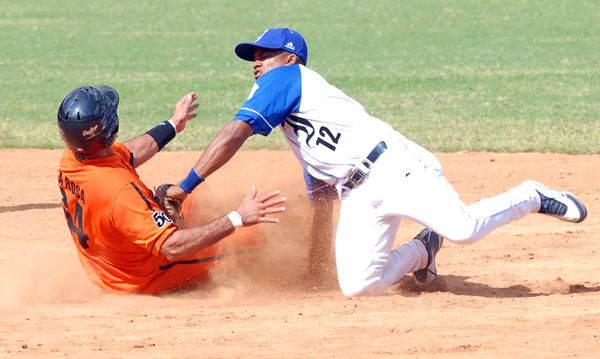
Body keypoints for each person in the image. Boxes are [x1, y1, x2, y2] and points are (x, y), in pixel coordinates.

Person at [167, 28, 588, 297]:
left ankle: (531, 195)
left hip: (393, 168)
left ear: (290, 59)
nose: (257, 62)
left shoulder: (287, 79)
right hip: (359, 193)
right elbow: (322, 195)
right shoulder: (296, 123)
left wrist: (185, 186)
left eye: (266, 53)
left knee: (464, 229)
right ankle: (422, 251)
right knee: (358, 287)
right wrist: (317, 269)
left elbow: (234, 133)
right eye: (253, 55)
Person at [57, 85, 285, 295]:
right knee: (250, 238)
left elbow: (129, 152)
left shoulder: (75, 158)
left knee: (195, 197)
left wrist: (173, 124)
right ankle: (207, 285)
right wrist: (237, 218)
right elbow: (172, 246)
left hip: (106, 262)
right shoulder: (121, 194)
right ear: (111, 128)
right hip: (140, 277)